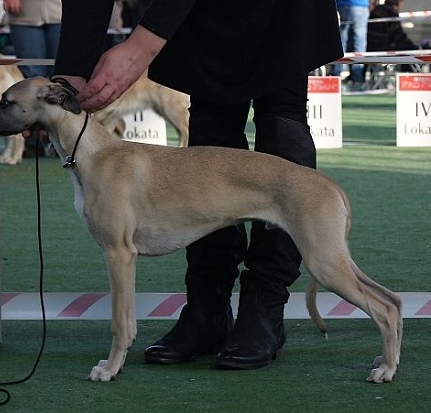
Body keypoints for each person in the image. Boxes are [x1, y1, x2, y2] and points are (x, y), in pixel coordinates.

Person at [52, 1, 342, 370]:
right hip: (204, 17)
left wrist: (140, 47)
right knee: (210, 128)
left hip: (282, 13)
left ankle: (265, 305)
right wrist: (71, 72)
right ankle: (207, 308)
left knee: (283, 126)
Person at [3, 0, 62, 157]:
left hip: (64, 12)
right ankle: (31, 140)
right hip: (24, 13)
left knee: (62, 79)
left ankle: (63, 140)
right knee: (31, 80)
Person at [331, 0, 370, 91]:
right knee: (359, 42)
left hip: (342, 5)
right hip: (360, 4)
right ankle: (357, 77)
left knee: (342, 41)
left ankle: (336, 74)